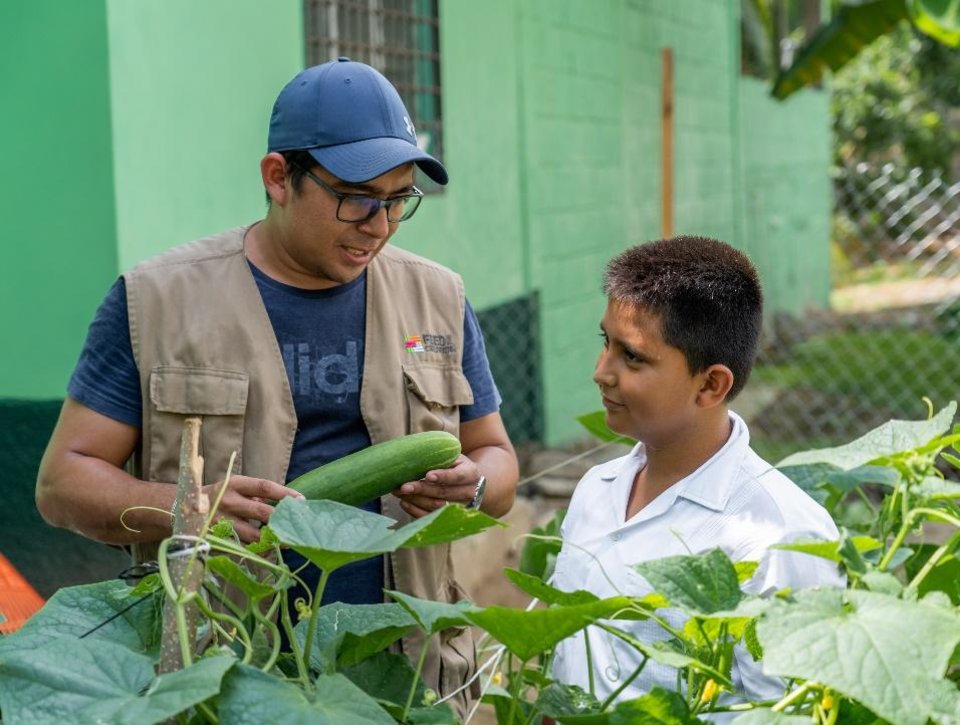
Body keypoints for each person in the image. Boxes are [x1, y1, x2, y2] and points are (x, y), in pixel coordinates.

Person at [35, 58, 519, 714]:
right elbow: (62, 483)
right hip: (218, 680)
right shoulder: (157, 300)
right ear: (278, 178)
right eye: (356, 198)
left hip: (402, 681)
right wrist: (190, 509)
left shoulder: (438, 296)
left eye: (399, 199)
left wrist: (477, 483)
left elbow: (497, 460)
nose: (379, 224)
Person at [550, 236, 843, 712]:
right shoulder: (596, 490)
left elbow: (791, 714)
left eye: (633, 357)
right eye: (606, 343)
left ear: (711, 384)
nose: (601, 372)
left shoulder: (782, 537)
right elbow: (565, 663)